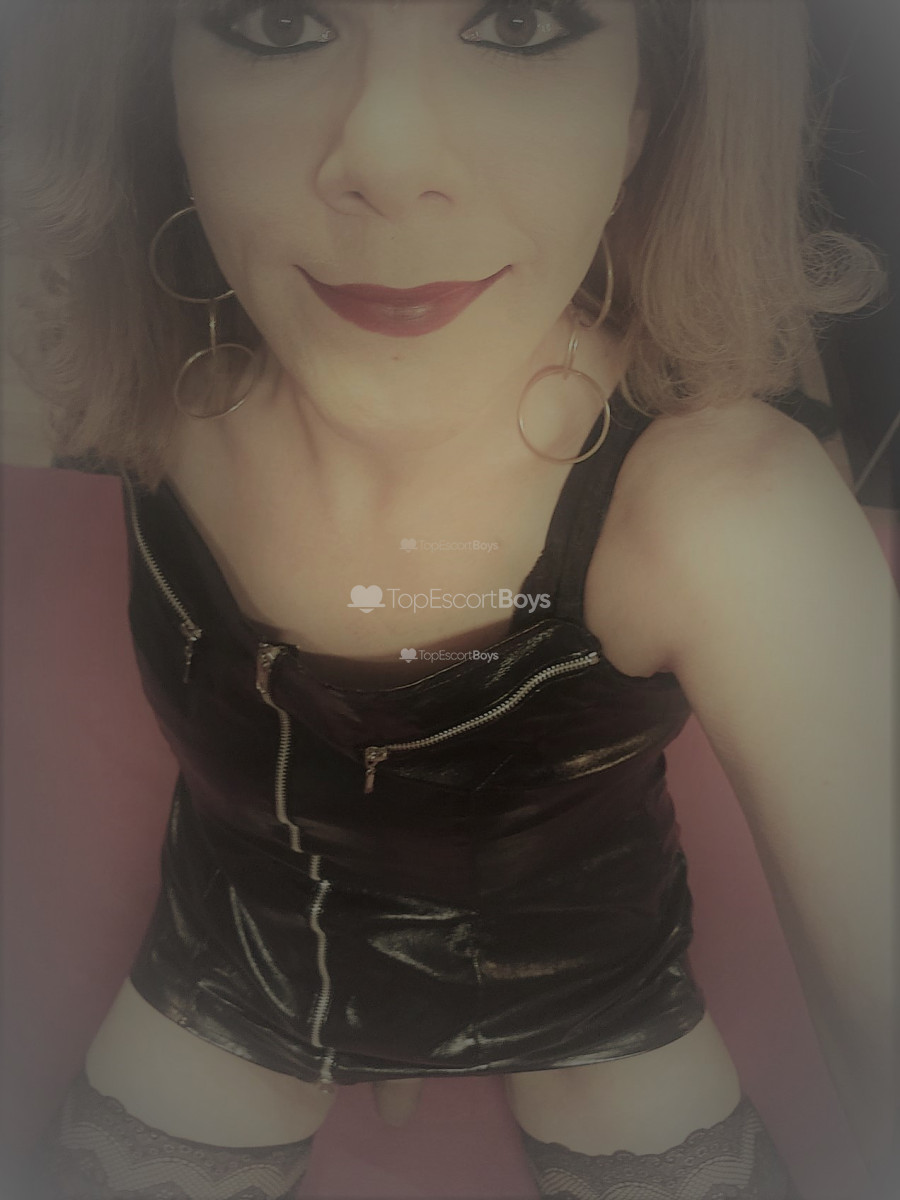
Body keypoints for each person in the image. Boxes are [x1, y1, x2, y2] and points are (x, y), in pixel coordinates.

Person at [4, 1, 896, 1197]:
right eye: (277, 19)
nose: (386, 160)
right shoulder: (155, 400)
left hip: (583, 984)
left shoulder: (725, 511)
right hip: (238, 956)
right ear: (158, 84)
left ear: (643, 106)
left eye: (520, 23)